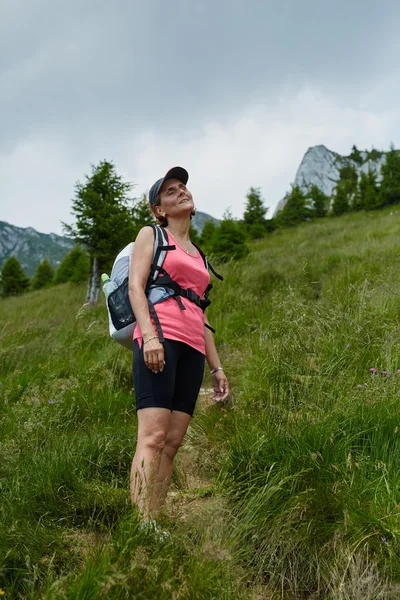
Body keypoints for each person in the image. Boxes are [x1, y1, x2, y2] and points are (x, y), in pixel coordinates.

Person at [128, 166, 229, 527]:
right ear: (159, 209)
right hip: (160, 338)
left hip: (192, 349)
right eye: (170, 191)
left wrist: (216, 368)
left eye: (182, 187)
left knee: (172, 442)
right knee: (153, 435)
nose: (181, 191)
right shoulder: (151, 235)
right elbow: (136, 288)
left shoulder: (198, 255)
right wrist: (150, 336)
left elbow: (201, 315)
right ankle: (141, 524)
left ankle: (154, 519)